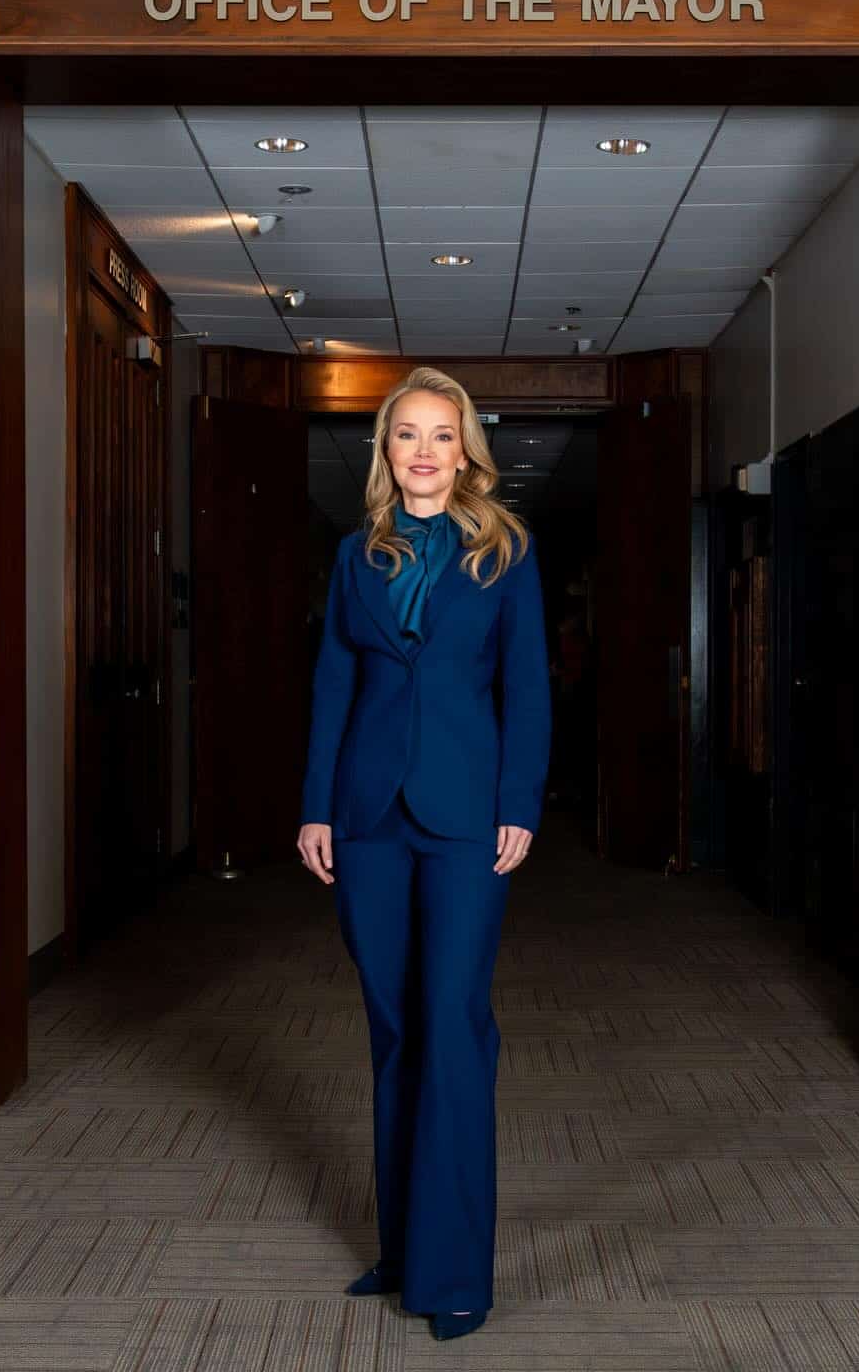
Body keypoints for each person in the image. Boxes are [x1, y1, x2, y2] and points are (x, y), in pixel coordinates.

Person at [296, 366, 552, 1342]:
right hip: (368, 818)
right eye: (408, 434)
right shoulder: (355, 554)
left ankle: (454, 1275)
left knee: (452, 1024)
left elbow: (527, 687)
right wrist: (317, 808)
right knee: (396, 1029)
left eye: (443, 435)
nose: (425, 451)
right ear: (386, 449)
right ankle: (403, 1248)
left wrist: (518, 801)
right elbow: (334, 684)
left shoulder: (505, 551)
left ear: (465, 450)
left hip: (466, 819)